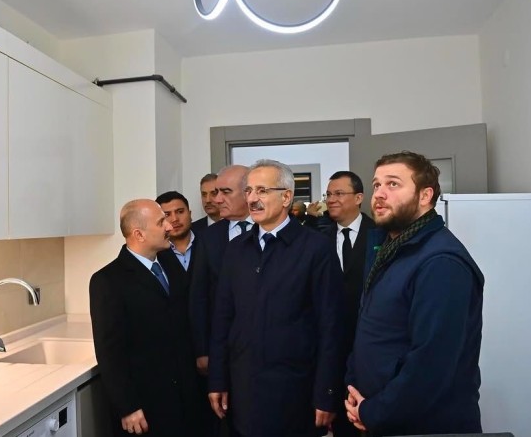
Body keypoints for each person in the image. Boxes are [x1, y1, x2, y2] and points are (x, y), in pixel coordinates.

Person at [345, 151, 484, 436]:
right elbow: (373, 329)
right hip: (382, 416)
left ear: (425, 195)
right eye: (376, 184)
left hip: (425, 425)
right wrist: (355, 389)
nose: (379, 193)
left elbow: (432, 364)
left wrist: (373, 412)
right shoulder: (390, 249)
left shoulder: (441, 262)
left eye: (393, 184)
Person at [208, 159, 346, 437]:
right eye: (249, 191)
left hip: (295, 389)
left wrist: (327, 392)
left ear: (286, 197)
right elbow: (223, 319)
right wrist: (217, 379)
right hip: (243, 389)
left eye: (262, 190)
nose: (252, 199)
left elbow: (331, 326)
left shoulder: (316, 248)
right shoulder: (236, 250)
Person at [89, 199, 201, 437]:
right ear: (138, 234)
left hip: (186, 397)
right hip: (147, 405)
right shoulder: (108, 281)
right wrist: (127, 406)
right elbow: (110, 352)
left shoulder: (170, 263)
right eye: (161, 222)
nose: (169, 226)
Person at [190, 164, 252, 437]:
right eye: (215, 193)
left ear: (248, 194)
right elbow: (199, 296)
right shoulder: (209, 238)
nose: (216, 200)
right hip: (221, 346)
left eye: (225, 192)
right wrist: (202, 349)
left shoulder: (268, 232)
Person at [321, 171, 375, 437]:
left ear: (358, 197)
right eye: (329, 194)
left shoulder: (380, 235)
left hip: (368, 342)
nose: (331, 199)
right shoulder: (318, 237)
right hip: (331, 343)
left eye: (339, 193)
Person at [156, 190, 196, 272]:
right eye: (167, 215)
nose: (174, 219)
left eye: (180, 212)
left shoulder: (208, 243)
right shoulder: (155, 252)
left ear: (190, 214)